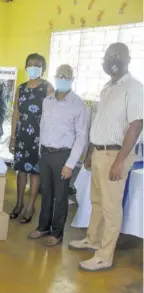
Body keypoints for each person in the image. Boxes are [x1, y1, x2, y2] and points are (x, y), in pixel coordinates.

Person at [69, 43, 143, 271]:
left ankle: (105, 255)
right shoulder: (108, 88)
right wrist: (90, 153)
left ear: (128, 59)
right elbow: (100, 123)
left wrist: (120, 160)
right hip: (99, 152)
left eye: (117, 56)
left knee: (111, 207)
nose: (112, 60)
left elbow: (136, 125)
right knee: (97, 201)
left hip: (115, 154)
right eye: (109, 56)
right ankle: (93, 239)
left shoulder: (135, 87)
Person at [28, 64, 88, 246]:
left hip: (63, 156)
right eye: (59, 75)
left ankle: (57, 232)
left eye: (66, 76)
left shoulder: (78, 105)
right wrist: (40, 152)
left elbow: (81, 137)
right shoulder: (48, 101)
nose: (62, 78)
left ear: (72, 79)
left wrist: (70, 164)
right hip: (45, 153)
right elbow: (43, 128)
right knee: (45, 192)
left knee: (60, 196)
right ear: (54, 77)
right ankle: (43, 226)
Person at [9, 53, 54, 224]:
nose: (33, 67)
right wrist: (13, 137)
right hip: (22, 136)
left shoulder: (48, 88)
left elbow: (51, 116)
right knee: (21, 171)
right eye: (30, 64)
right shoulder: (20, 88)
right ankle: (19, 203)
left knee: (35, 172)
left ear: (43, 68)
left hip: (39, 137)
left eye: (37, 64)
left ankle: (31, 206)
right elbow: (16, 113)